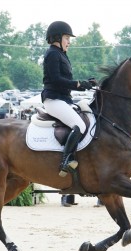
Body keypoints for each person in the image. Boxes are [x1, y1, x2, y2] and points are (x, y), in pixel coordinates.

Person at [41, 21, 96, 177]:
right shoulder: (52, 53)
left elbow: (66, 81)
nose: (69, 42)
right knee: (79, 125)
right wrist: (79, 84)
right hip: (53, 99)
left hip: (64, 100)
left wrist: (86, 84)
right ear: (57, 38)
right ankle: (66, 160)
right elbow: (57, 79)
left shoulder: (61, 55)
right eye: (67, 38)